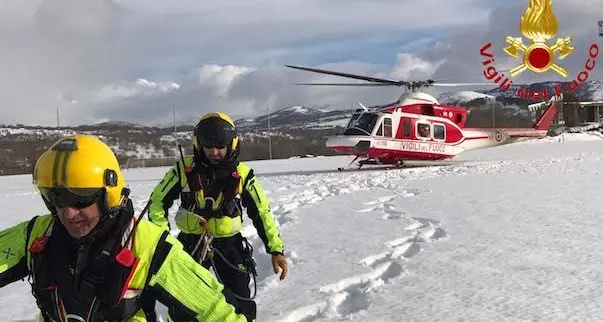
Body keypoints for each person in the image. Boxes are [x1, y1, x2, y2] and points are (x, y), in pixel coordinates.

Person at [0, 134, 248, 322]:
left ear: (108, 194)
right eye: (57, 199)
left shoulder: (146, 245)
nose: (68, 213)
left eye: (82, 199)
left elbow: (215, 309)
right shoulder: (38, 235)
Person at [147, 111, 288, 321]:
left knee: (240, 298)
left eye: (220, 147)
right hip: (189, 244)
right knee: (182, 299)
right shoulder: (183, 170)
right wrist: (164, 239)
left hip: (229, 245)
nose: (214, 152)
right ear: (198, 145)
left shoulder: (242, 175)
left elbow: (262, 212)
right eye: (209, 147)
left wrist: (275, 249)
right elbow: (157, 202)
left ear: (231, 145)